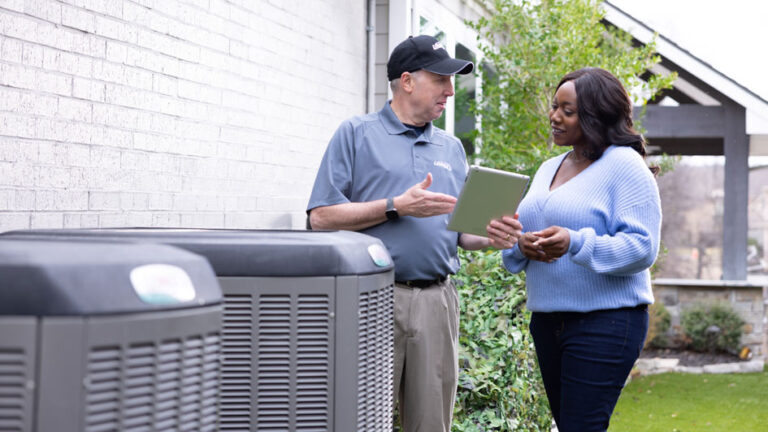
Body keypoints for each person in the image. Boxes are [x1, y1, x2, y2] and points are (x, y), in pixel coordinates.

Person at [307, 35, 522, 432]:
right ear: (406, 81)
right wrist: (395, 206)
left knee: (430, 424)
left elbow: (460, 232)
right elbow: (320, 217)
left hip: (437, 303)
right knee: (357, 420)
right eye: (441, 79)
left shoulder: (452, 147)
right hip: (370, 299)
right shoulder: (356, 134)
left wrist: (491, 235)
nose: (450, 90)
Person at [502, 67, 662, 432]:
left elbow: (642, 247)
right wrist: (521, 245)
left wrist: (575, 242)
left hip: (606, 321)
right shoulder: (548, 168)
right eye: (554, 106)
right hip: (547, 320)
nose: (554, 116)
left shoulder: (624, 165)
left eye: (567, 111)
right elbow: (525, 231)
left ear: (594, 115)